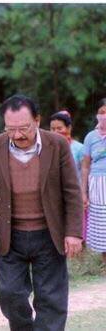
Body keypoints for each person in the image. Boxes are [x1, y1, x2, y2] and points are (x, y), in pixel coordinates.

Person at [0, 94, 83, 330]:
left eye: (23, 128)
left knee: (51, 298)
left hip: (49, 233)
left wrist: (73, 232)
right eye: (10, 129)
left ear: (37, 120)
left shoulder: (57, 145)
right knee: (10, 294)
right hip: (10, 235)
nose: (17, 135)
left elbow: (72, 193)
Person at [81, 98, 106, 264]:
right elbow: (85, 166)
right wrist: (83, 192)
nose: (104, 116)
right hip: (97, 184)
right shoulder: (91, 137)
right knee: (102, 224)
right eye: (102, 112)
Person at [49, 110, 83, 181]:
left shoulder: (80, 148)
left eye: (59, 128)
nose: (55, 132)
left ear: (69, 128)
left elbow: (85, 172)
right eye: (52, 129)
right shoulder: (47, 149)